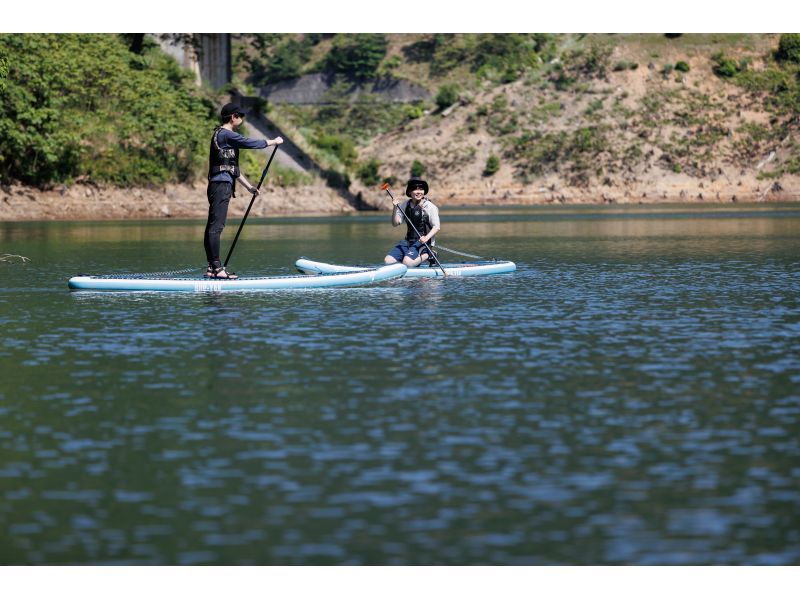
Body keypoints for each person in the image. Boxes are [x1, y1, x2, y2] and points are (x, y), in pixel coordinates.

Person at [204, 102, 283, 279]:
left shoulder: (225, 138)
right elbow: (250, 142)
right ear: (233, 117)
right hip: (220, 186)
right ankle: (216, 268)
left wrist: (249, 187)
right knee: (216, 227)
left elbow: (232, 168)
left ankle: (212, 267)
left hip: (220, 185)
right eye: (240, 116)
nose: (242, 119)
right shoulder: (225, 134)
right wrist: (273, 142)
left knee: (213, 226)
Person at [384, 177, 441, 267]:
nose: (419, 192)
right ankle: (411, 260)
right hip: (408, 241)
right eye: (415, 189)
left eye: (421, 189)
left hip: (423, 242)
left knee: (407, 263)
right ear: (410, 191)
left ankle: (430, 255)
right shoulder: (405, 205)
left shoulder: (430, 207)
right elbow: (395, 223)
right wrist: (395, 208)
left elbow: (436, 227)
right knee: (388, 261)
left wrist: (426, 238)